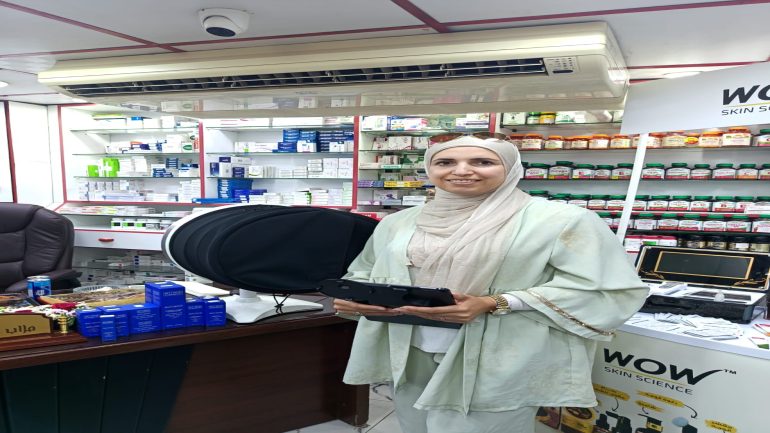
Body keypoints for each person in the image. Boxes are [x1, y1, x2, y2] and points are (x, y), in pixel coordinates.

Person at [333, 136, 648, 433]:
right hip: (410, 349)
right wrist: (359, 298)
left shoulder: (560, 220)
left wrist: (494, 302)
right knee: (415, 425)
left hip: (500, 355)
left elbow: (607, 289)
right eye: (445, 162)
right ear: (429, 168)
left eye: (482, 162)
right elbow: (367, 270)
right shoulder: (399, 222)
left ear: (510, 168)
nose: (461, 171)